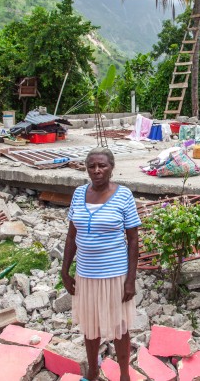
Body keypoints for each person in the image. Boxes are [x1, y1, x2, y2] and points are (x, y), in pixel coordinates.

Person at [62, 147, 141, 381]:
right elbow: (71, 235)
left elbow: (134, 239)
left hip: (115, 274)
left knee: (120, 328)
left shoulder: (124, 195)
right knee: (90, 326)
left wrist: (131, 279)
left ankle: (124, 375)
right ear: (86, 168)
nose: (97, 170)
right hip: (86, 274)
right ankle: (94, 373)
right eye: (92, 166)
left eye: (102, 166)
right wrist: (65, 271)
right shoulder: (78, 194)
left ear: (111, 168)